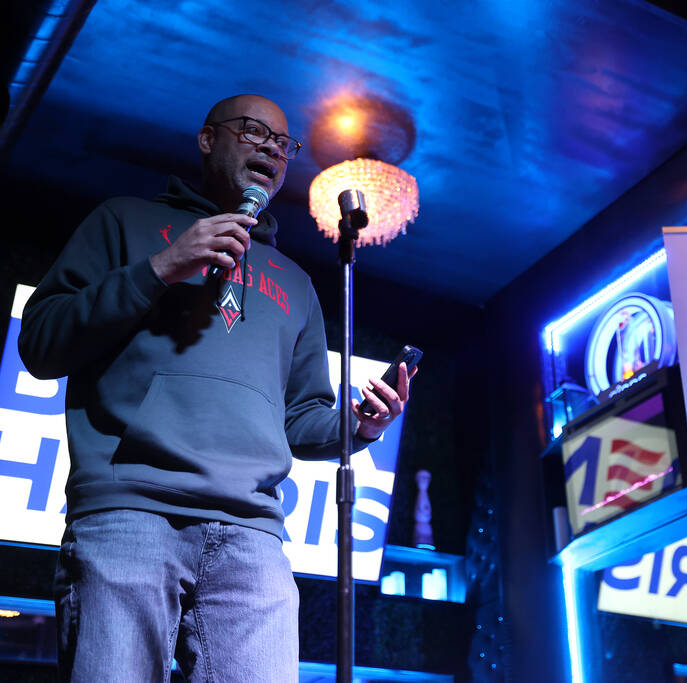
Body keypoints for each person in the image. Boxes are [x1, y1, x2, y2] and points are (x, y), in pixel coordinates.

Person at [18, 94, 414, 682]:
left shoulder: (298, 283)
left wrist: (361, 426)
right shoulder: (122, 220)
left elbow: (300, 416)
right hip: (129, 510)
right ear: (208, 140)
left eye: (284, 144)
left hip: (252, 534)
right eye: (255, 132)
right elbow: (43, 343)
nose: (272, 150)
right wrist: (161, 267)